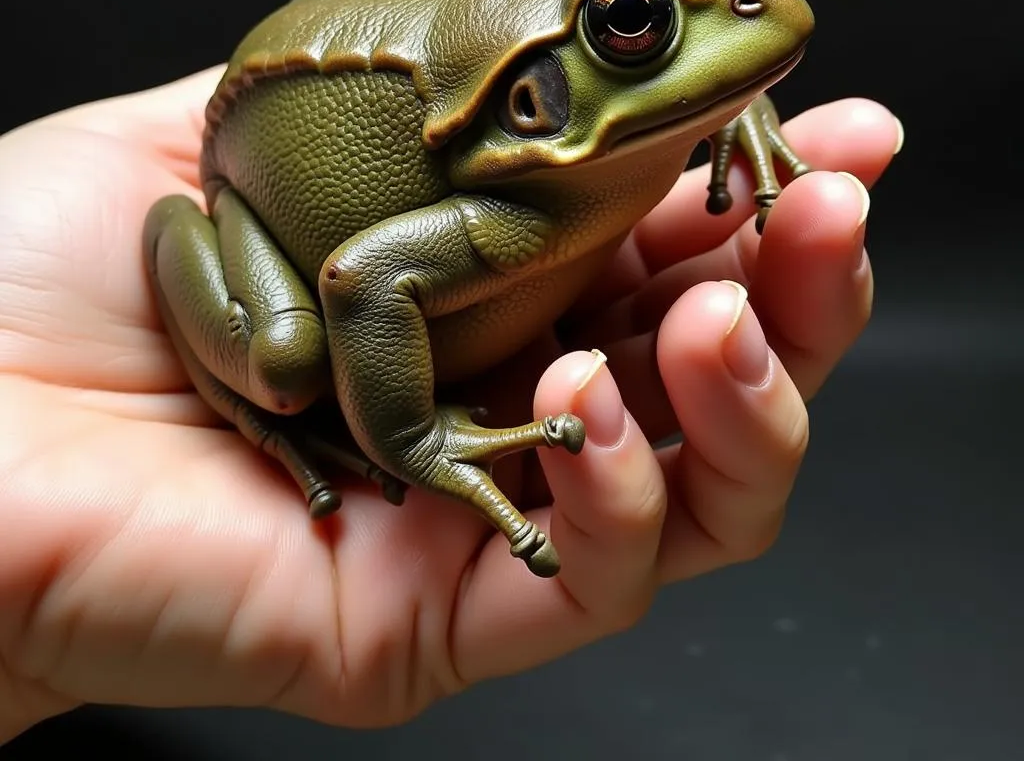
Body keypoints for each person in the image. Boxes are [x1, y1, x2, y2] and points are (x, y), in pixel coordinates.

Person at [0, 66, 901, 741]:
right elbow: (362, 273)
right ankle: (321, 420)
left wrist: (730, 101)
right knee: (285, 360)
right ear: (535, 99)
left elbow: (712, 48)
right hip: (270, 218)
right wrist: (412, 437)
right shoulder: (513, 210)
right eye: (634, 22)